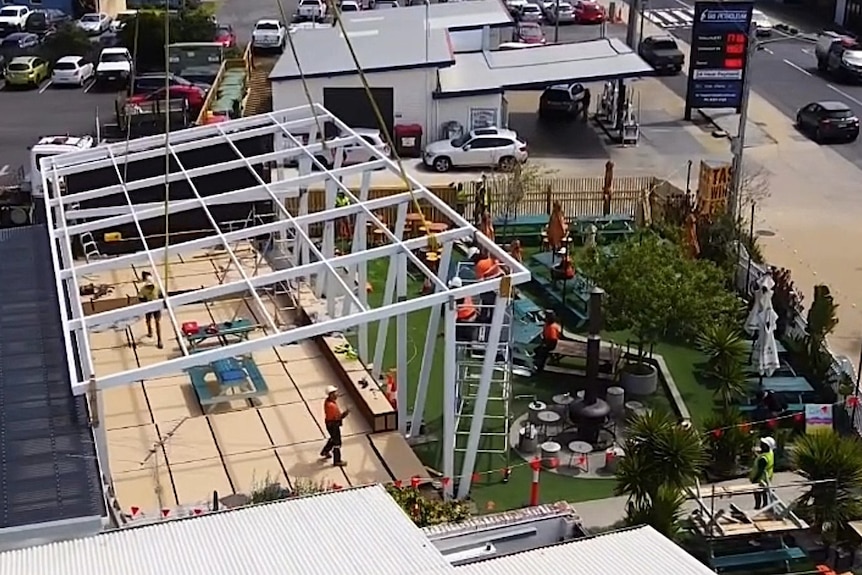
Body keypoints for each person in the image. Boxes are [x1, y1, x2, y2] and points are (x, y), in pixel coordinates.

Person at [320, 386, 349, 467]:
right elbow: (338, 417)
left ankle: (325, 451)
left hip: (329, 424)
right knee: (337, 443)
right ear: (331, 394)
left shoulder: (328, 402)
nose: (337, 394)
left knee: (333, 438)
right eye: (335, 393)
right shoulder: (331, 406)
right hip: (333, 425)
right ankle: (337, 460)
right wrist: (345, 413)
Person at [137, 271, 164, 349]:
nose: (150, 287)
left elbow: (161, 294)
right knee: (148, 321)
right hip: (148, 306)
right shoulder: (143, 289)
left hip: (157, 307)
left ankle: (159, 340)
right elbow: (140, 298)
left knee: (157, 322)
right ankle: (149, 331)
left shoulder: (157, 287)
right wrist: (145, 301)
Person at [750, 436, 776, 509]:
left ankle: (757, 507)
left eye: (763, 444)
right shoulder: (770, 453)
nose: (761, 444)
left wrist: (754, 479)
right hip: (767, 478)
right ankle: (765, 506)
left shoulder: (763, 459)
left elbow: (760, 471)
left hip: (760, 479)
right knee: (764, 493)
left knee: (757, 494)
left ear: (766, 446)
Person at [450, 277, 478, 342]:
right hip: (472, 315)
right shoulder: (464, 292)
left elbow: (455, 308)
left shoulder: (458, 295)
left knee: (457, 336)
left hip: (465, 318)